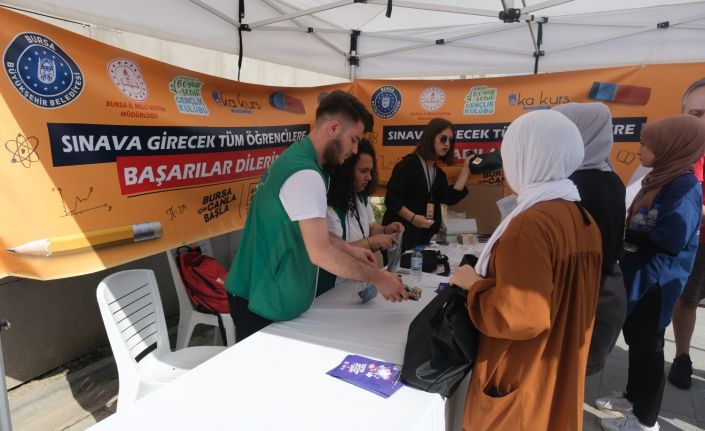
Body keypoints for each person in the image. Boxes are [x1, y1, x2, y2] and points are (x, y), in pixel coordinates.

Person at [449, 109, 602, 430]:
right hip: (557, 374)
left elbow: (521, 316)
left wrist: (473, 285)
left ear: (526, 156)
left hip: (520, 380)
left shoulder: (530, 225)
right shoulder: (583, 219)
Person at [225, 90, 408, 342]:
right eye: (353, 139)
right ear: (333, 128)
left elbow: (310, 231)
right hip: (259, 297)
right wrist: (379, 278)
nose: (355, 150)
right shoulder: (305, 174)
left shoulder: (300, 160)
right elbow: (320, 252)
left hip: (260, 292)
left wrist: (349, 249)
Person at [596, 115, 705, 431]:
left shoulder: (684, 187)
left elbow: (670, 239)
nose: (640, 150)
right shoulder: (661, 178)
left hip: (658, 282)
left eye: (647, 145)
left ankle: (646, 420)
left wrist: (622, 233)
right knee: (637, 341)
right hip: (640, 275)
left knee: (649, 346)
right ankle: (633, 396)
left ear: (671, 148)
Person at [553, 102, 628, 375]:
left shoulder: (574, 184)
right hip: (602, 289)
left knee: (563, 378)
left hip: (579, 297)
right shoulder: (610, 177)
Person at [321, 139, 404, 289]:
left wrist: (386, 230)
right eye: (363, 171)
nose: (370, 177)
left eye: (371, 171)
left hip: (356, 283)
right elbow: (334, 251)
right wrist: (372, 243)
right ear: (345, 171)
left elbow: (371, 227)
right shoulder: (329, 207)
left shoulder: (360, 197)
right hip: (333, 288)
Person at [382, 118, 470, 252]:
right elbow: (391, 199)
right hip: (400, 235)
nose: (447, 144)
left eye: (450, 141)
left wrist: (466, 170)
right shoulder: (407, 165)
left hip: (423, 237)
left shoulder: (438, 173)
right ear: (430, 138)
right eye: (443, 139)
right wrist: (413, 218)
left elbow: (449, 198)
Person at [669, 77, 705, 390]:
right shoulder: (681, 152)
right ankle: (682, 356)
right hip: (694, 244)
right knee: (687, 301)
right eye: (696, 114)